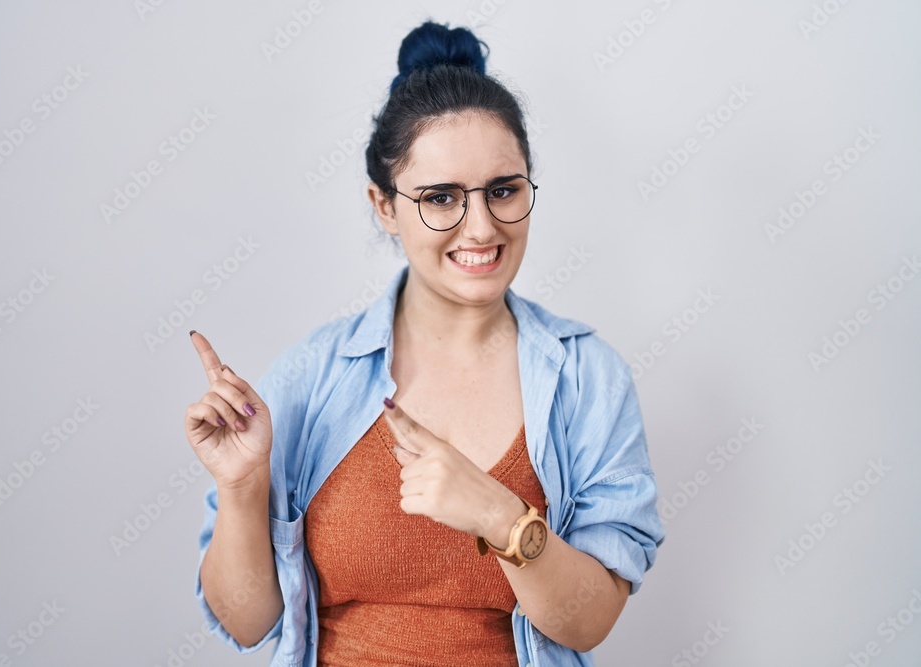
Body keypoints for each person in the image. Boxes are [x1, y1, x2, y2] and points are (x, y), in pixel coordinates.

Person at [185, 19, 664, 667]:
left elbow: (589, 622)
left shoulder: (588, 379)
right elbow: (247, 622)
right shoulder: (310, 376)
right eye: (441, 197)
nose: (481, 226)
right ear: (384, 206)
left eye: (503, 189)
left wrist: (500, 516)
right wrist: (244, 484)